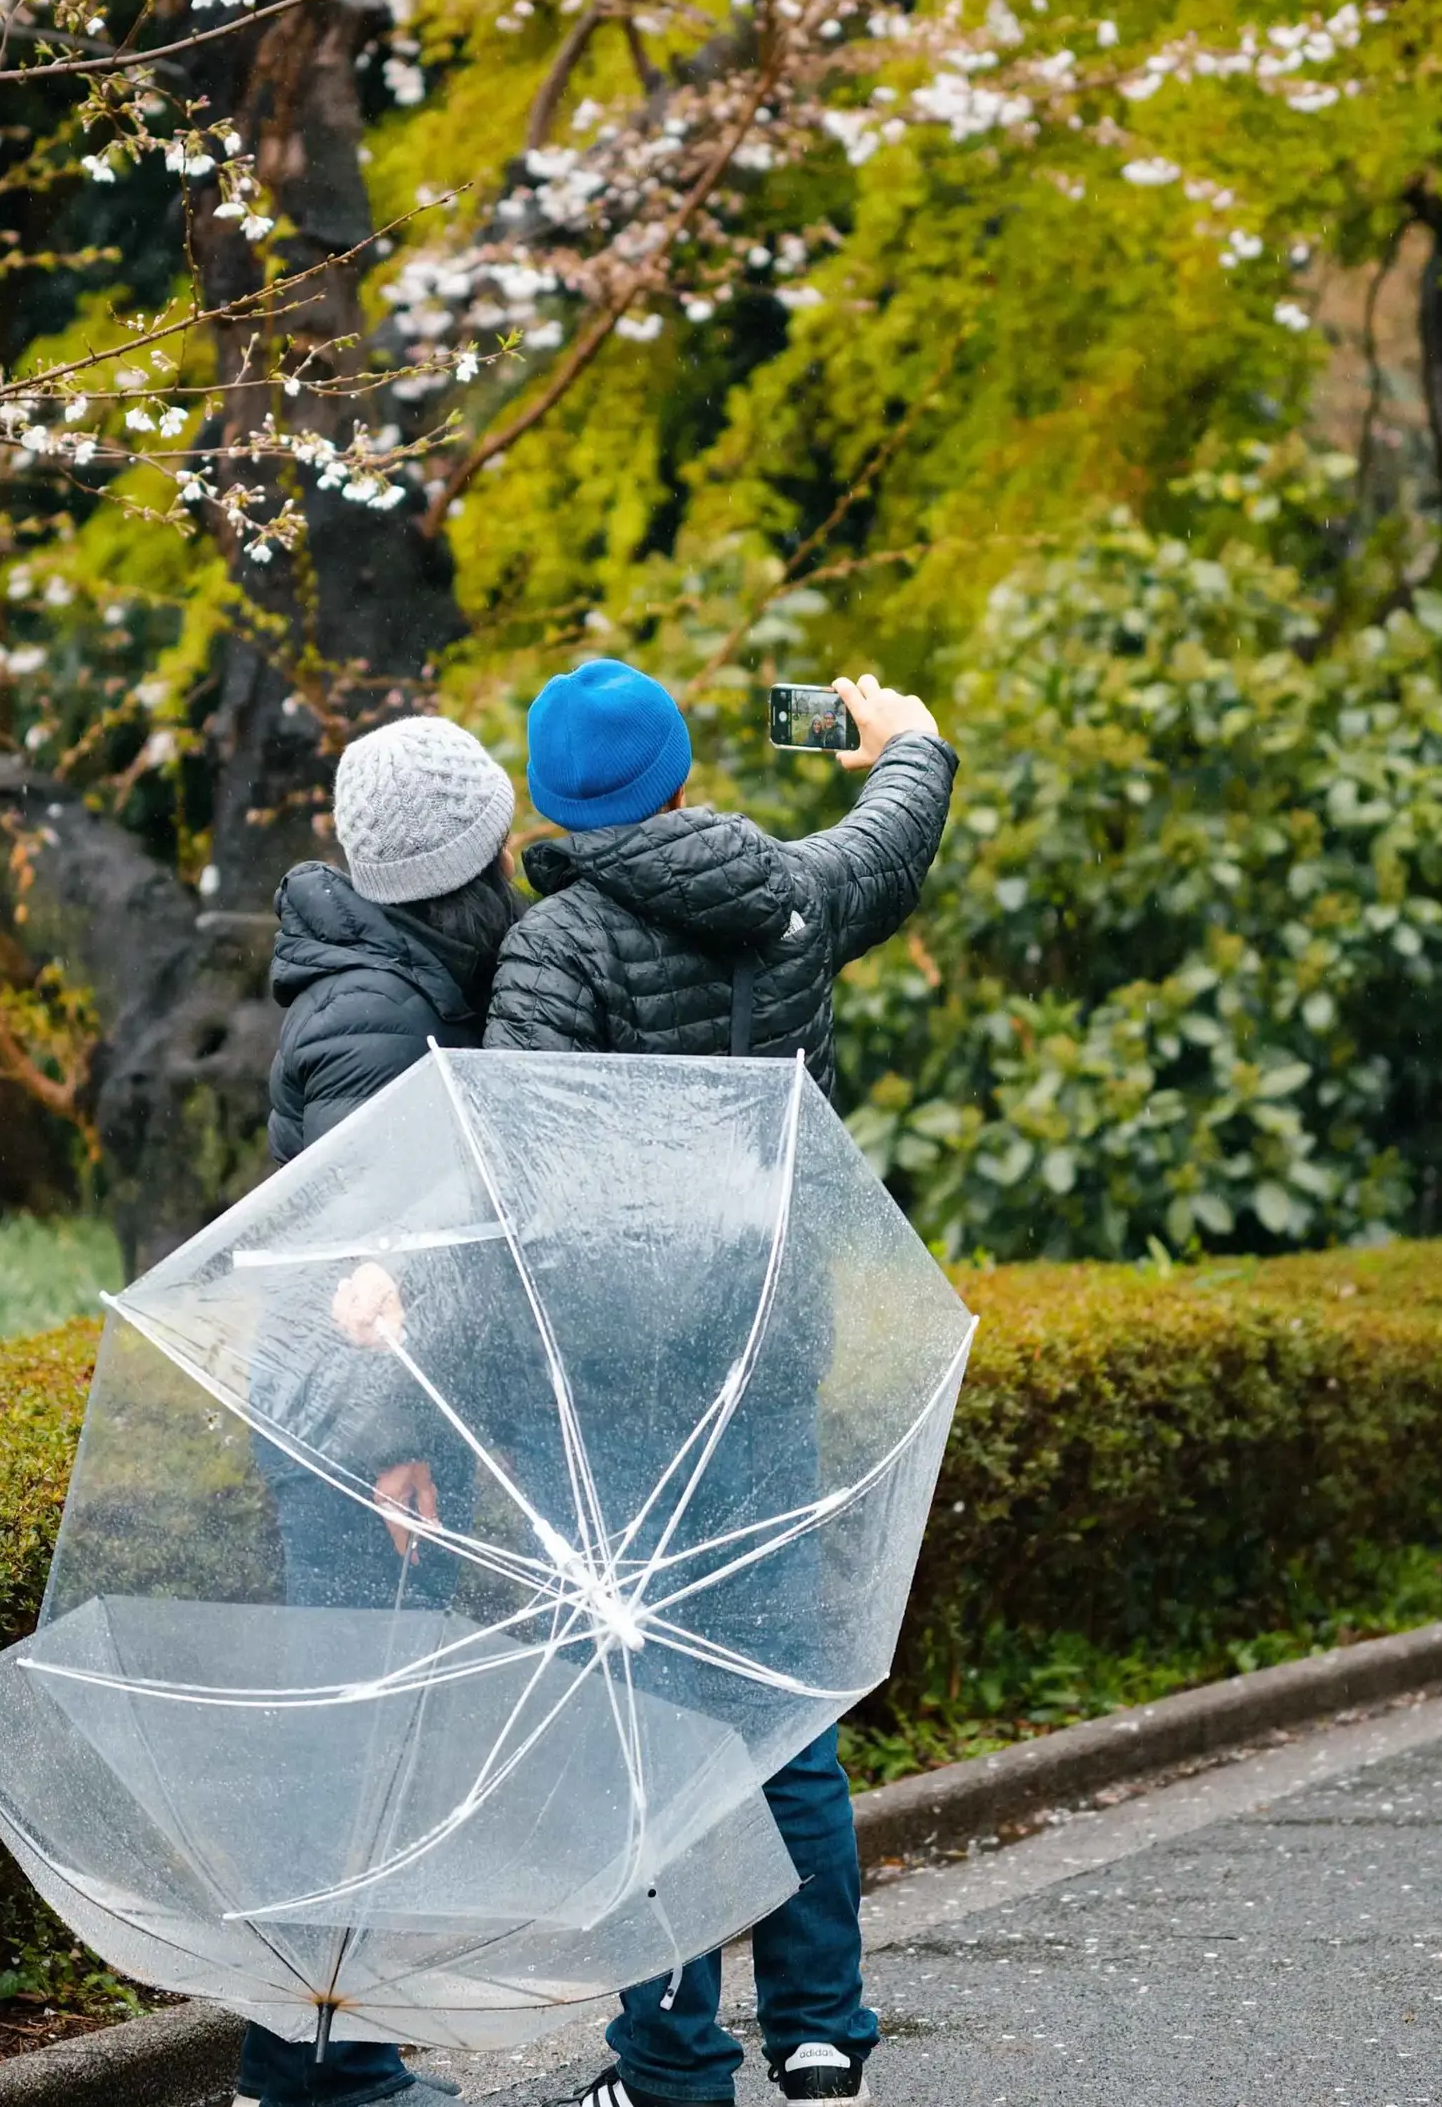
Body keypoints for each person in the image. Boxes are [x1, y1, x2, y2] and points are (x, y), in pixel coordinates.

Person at [485, 658, 955, 2107]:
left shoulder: (555, 948)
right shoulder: (791, 898)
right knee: (776, 1699)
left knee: (648, 1719)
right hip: (768, 1357)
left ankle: (670, 2061)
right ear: (683, 773)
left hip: (624, 1386)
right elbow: (892, 837)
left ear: (551, 798)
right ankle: (819, 2034)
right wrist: (906, 738)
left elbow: (518, 1173)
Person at [238, 712, 519, 2107]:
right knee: (348, 1743)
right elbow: (362, 1264)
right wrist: (393, 1444)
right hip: (351, 1420)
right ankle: (311, 2066)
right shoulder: (377, 1018)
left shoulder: (396, 977)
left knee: (367, 1733)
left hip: (367, 1411)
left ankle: (316, 2053)